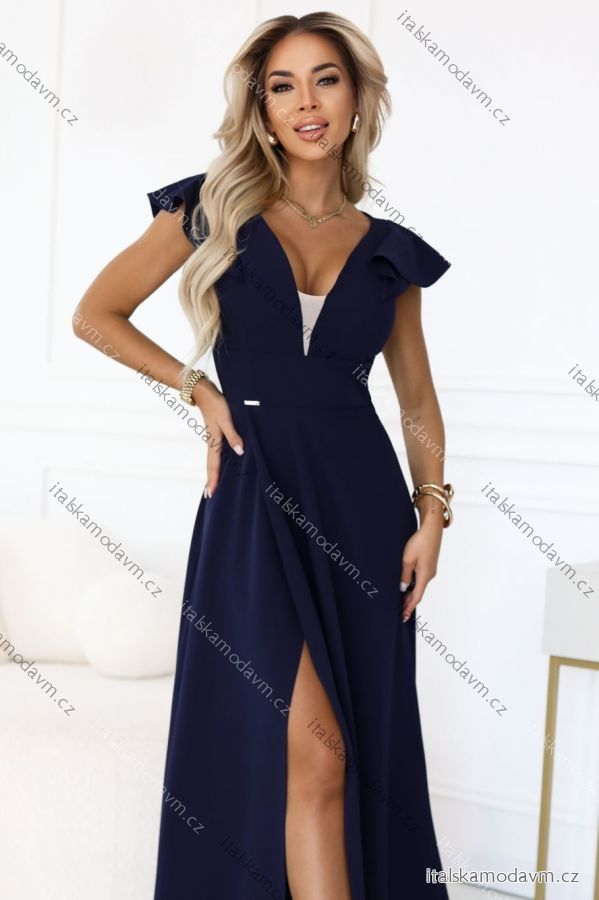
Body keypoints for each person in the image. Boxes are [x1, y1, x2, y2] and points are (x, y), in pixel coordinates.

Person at [74, 12, 453, 899]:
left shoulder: (388, 253)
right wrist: (195, 387)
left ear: (356, 101)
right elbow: (96, 314)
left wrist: (432, 511)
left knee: (352, 759)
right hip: (254, 500)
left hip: (363, 511)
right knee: (314, 755)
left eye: (325, 79)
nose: (304, 102)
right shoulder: (214, 206)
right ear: (261, 107)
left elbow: (416, 400)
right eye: (282, 86)